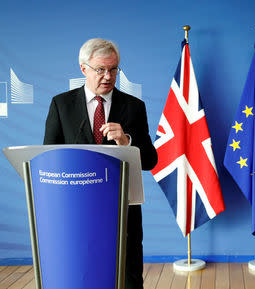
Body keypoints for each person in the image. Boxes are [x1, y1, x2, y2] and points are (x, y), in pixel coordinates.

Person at [44, 38, 157, 289]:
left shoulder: (134, 107)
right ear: (83, 68)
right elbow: (48, 159)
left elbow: (151, 159)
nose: (108, 76)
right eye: (101, 69)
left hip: (122, 207)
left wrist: (126, 141)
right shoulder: (61, 105)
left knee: (128, 277)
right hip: (76, 208)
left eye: (114, 69)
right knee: (81, 275)